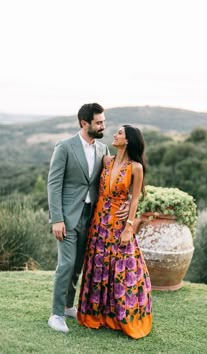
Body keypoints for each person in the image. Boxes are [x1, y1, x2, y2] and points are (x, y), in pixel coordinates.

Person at [47, 103, 128, 333]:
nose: (103, 126)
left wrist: (128, 200)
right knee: (66, 264)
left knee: (78, 266)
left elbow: (116, 177)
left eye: (103, 121)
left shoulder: (103, 150)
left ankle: (68, 305)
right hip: (67, 217)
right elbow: (54, 184)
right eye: (99, 122)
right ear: (85, 123)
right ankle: (56, 314)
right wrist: (56, 218)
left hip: (92, 218)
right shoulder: (64, 147)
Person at [77, 125, 153, 339]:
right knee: (97, 264)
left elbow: (136, 197)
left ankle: (119, 316)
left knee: (119, 266)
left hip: (118, 223)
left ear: (127, 140)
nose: (115, 135)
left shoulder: (136, 167)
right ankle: (96, 315)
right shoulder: (106, 161)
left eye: (119, 133)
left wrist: (129, 225)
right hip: (98, 221)